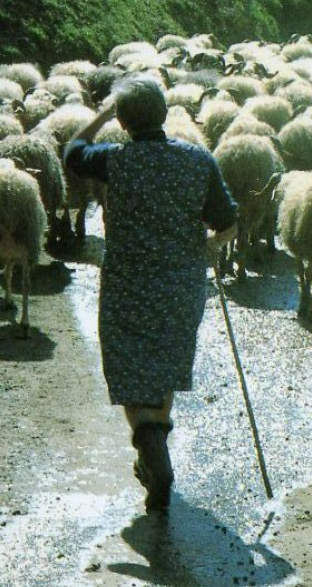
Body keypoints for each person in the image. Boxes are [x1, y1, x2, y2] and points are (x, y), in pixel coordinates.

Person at [63, 75, 238, 511]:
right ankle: (157, 443)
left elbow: (72, 153)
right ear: (165, 114)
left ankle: (150, 450)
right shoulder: (198, 160)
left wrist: (102, 112)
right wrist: (211, 245)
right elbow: (228, 221)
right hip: (180, 287)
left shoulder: (115, 159)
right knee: (163, 365)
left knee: (130, 367)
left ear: (123, 122)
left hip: (128, 285)